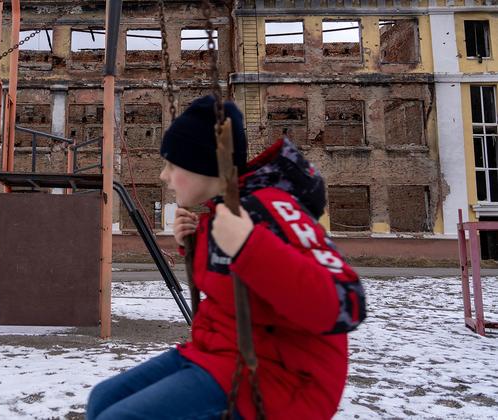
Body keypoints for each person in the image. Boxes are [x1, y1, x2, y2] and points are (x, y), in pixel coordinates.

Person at [86, 96, 366, 419]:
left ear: (204, 165)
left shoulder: (272, 208)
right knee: (102, 400)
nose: (164, 175)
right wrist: (192, 245)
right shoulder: (222, 215)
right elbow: (232, 283)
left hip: (283, 378)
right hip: (221, 353)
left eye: (172, 165)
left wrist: (250, 246)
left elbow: (346, 301)